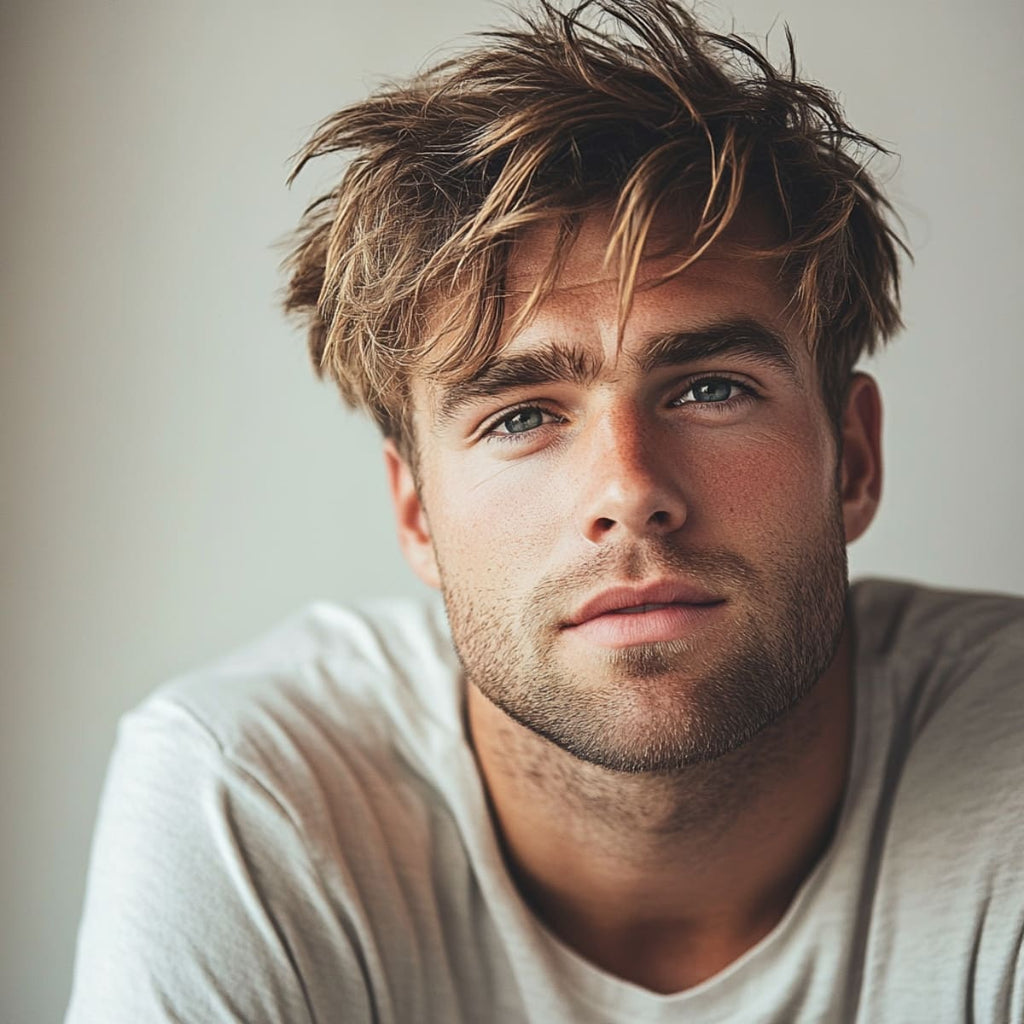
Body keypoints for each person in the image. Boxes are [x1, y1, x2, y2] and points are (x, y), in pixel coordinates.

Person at [66, 1, 1023, 1020]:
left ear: (853, 459)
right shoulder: (246, 790)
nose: (629, 491)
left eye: (710, 388)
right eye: (522, 414)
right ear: (418, 514)